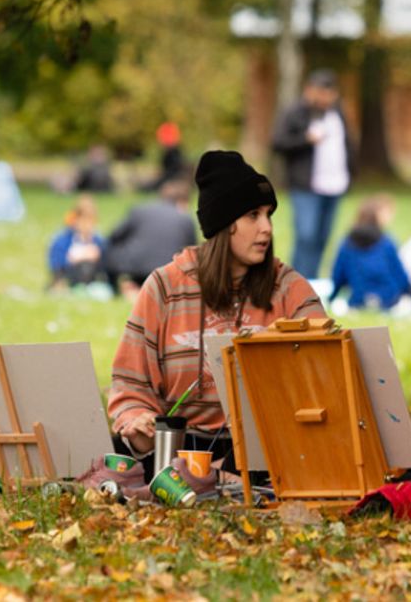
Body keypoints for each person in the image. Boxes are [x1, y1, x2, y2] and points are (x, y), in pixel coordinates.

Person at [108, 150, 326, 472]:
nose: (266, 228)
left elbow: (329, 375)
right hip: (178, 449)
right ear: (224, 224)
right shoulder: (164, 286)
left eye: (269, 215)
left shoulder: (291, 289)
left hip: (270, 449)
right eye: (253, 215)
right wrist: (138, 422)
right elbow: (130, 384)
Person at [271, 69, 355, 279]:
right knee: (306, 235)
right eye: (319, 93)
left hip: (334, 184)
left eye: (328, 93)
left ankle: (313, 282)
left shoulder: (338, 113)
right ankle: (297, 281)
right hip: (306, 186)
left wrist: (352, 173)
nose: (324, 98)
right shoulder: (295, 112)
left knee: (322, 237)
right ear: (310, 91)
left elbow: (348, 144)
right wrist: (306, 140)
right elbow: (278, 143)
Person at [103, 179, 197, 299]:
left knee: (111, 249)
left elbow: (114, 236)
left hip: (133, 267)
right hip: (167, 272)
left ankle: (118, 289)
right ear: (182, 201)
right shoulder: (185, 219)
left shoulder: (140, 210)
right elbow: (191, 253)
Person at [329, 194, 411, 311]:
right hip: (388, 299)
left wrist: (332, 297)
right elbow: (399, 275)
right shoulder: (386, 242)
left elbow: (338, 275)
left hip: (358, 298)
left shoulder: (347, 242)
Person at [47, 195, 107, 289]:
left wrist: (96, 256)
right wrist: (72, 258)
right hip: (69, 276)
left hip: (92, 278)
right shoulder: (64, 239)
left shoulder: (98, 240)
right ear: (75, 219)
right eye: (84, 220)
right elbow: (56, 263)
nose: (87, 225)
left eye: (90, 220)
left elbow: (106, 264)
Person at [140, 122, 187, 192]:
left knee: (149, 187)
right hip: (169, 178)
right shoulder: (173, 151)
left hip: (171, 179)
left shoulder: (173, 153)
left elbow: (173, 170)